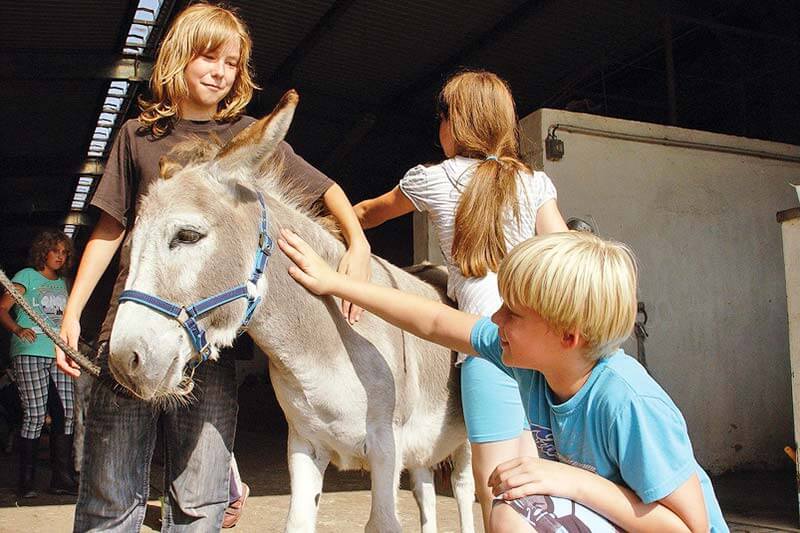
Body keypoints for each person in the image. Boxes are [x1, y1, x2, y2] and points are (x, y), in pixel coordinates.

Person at [56, 4, 370, 531]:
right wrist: (72, 313)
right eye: (208, 56)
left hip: (207, 350)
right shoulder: (138, 135)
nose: (219, 70)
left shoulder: (247, 136)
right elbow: (109, 229)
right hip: (130, 334)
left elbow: (328, 190)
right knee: (110, 501)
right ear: (178, 57)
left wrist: (355, 247)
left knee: (200, 502)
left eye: (231, 61)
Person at [277, 229, 728, 532]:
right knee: (515, 501)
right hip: (608, 516)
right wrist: (336, 283)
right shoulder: (531, 357)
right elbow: (434, 321)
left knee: (528, 497)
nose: (495, 318)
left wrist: (570, 482)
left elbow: (691, 526)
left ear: (568, 336)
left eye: (512, 312)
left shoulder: (627, 401)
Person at [353, 69, 567, 528]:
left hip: (484, 348)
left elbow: (369, 213)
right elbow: (564, 256)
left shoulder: (432, 180)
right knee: (538, 477)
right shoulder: (533, 182)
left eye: (442, 117)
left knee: (497, 489)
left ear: (455, 124)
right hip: (540, 346)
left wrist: (337, 228)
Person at [0, 229, 77, 498]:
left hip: (60, 353)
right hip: (31, 350)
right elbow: (2, 308)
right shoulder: (26, 276)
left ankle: (62, 479)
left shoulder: (64, 283)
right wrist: (18, 330)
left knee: (67, 413)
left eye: (64, 252)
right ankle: (26, 481)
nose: (60, 256)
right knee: (34, 414)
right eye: (56, 250)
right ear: (43, 251)